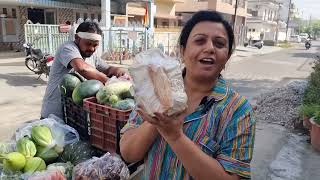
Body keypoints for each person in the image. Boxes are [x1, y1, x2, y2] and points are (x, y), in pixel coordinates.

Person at [120, 11, 256, 180]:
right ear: (182, 51)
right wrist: (159, 117)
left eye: (219, 44)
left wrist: (175, 136)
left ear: (227, 57)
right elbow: (128, 153)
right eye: (200, 41)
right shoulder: (152, 90)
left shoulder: (238, 110)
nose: (210, 48)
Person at [41, 21, 127, 119]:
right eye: (88, 43)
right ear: (77, 38)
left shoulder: (92, 56)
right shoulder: (68, 48)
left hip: (74, 118)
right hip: (54, 115)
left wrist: (121, 72)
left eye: (95, 45)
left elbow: (108, 69)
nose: (91, 48)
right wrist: (109, 81)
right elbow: (82, 68)